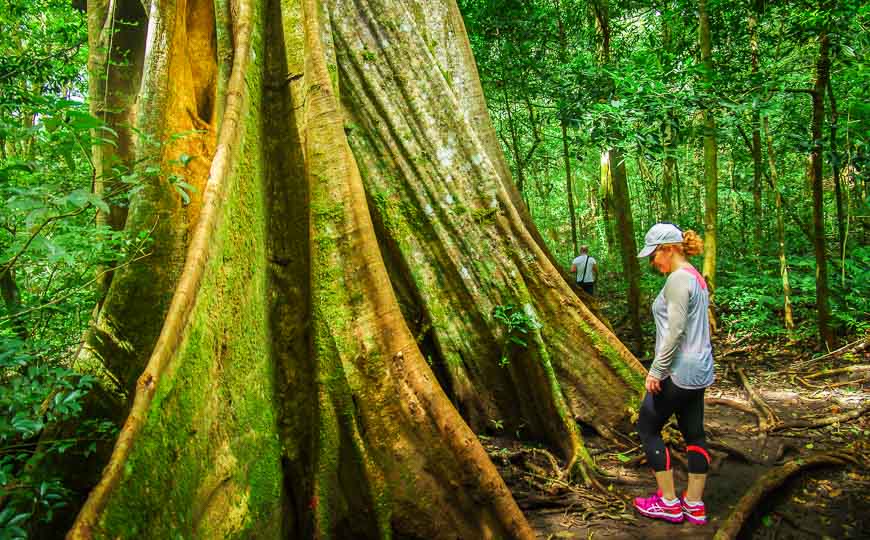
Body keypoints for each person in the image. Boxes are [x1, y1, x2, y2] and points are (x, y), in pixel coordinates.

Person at [632, 223, 714, 525]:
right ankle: (694, 503)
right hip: (700, 370)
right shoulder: (695, 277)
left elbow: (676, 331)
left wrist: (656, 370)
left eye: (654, 255)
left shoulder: (679, 279)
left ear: (668, 249)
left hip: (678, 371)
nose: (653, 263)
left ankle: (667, 502)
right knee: (694, 432)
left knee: (648, 427)